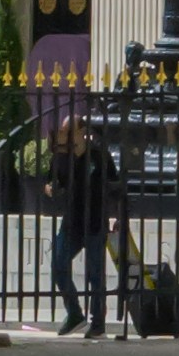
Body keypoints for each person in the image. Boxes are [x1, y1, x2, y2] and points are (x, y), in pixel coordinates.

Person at [47, 96, 124, 339]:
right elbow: (50, 181)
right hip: (71, 221)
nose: (66, 136)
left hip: (94, 220)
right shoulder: (61, 156)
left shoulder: (99, 155)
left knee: (94, 273)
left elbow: (114, 185)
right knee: (58, 265)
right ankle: (74, 312)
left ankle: (98, 322)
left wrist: (114, 216)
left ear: (82, 132)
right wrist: (50, 187)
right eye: (63, 132)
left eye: (70, 131)